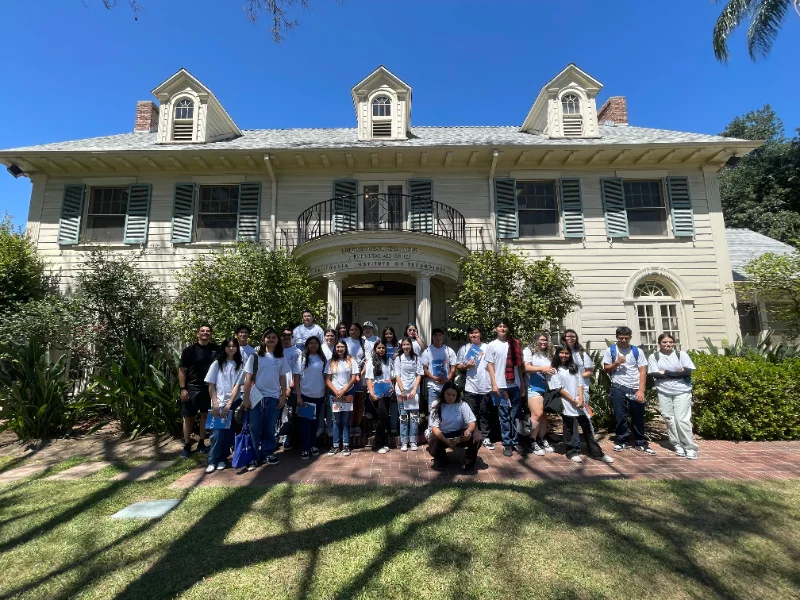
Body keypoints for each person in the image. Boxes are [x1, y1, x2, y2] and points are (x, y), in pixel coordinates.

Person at [550, 346, 614, 464]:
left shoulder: (574, 367)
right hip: (566, 402)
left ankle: (597, 453)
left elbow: (580, 383)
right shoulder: (554, 369)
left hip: (579, 402)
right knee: (569, 428)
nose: (564, 355)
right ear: (557, 354)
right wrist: (573, 401)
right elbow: (558, 388)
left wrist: (580, 398)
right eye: (561, 353)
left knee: (587, 427)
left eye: (566, 353)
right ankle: (572, 452)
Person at [241, 328, 289, 470]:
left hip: (273, 397)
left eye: (274, 337)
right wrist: (246, 398)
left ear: (277, 340)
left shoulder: (281, 357)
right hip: (256, 396)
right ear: (264, 340)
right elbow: (248, 379)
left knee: (270, 427)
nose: (271, 339)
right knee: (254, 427)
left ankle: (267, 453)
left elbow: (282, 377)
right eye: (269, 337)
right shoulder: (255, 356)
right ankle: (254, 456)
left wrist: (283, 396)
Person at [602, 326, 654, 454]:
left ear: (630, 338)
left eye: (626, 338)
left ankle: (640, 442)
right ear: (617, 338)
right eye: (621, 338)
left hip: (635, 387)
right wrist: (617, 363)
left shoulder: (637, 351)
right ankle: (621, 440)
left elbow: (643, 371)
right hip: (618, 386)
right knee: (620, 415)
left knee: (638, 415)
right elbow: (606, 369)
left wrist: (641, 390)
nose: (623, 341)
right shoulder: (611, 350)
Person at [648, 333, 698, 459]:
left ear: (673, 343)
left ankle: (689, 447)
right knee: (669, 419)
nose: (668, 344)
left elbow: (687, 372)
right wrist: (677, 373)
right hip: (663, 391)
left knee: (682, 419)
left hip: (682, 391)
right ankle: (677, 445)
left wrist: (666, 372)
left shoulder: (681, 355)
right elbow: (654, 374)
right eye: (664, 342)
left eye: (670, 342)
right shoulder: (654, 357)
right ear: (659, 344)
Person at [178, 323, 220, 458]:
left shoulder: (216, 350)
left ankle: (202, 443)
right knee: (188, 417)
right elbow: (182, 370)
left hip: (209, 389)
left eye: (208, 331)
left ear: (211, 334)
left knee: (205, 416)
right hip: (191, 389)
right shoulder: (189, 351)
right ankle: (187, 445)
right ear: (197, 333)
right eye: (202, 331)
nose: (205, 333)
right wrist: (183, 389)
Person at [485, 317, 525, 457]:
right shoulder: (492, 345)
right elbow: (490, 365)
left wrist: (522, 384)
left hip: (514, 385)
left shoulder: (514, 344)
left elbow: (519, 367)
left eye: (504, 326)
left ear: (507, 329)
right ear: (496, 329)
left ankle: (515, 441)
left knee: (515, 415)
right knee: (504, 416)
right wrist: (494, 383)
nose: (502, 328)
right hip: (501, 386)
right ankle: (507, 442)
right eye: (500, 326)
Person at [204, 337, 245, 473]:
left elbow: (237, 386)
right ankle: (212, 460)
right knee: (216, 434)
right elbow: (211, 385)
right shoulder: (217, 364)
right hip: (218, 404)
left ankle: (222, 459)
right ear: (224, 348)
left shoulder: (240, 364)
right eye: (229, 346)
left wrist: (229, 405)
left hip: (233, 403)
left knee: (228, 433)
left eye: (234, 346)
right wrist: (215, 404)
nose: (231, 348)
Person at [457, 325, 496, 451]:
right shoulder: (464, 349)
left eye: (476, 333)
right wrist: (467, 366)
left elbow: (491, 365)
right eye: (471, 333)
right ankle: (471, 437)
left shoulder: (487, 347)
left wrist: (494, 383)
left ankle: (485, 437)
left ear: (480, 334)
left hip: (485, 386)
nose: (473, 335)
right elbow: (458, 366)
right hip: (470, 387)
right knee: (471, 414)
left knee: (484, 413)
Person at [428, 382, 482, 470]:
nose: (450, 398)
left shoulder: (462, 404)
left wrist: (468, 431)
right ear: (443, 393)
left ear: (457, 395)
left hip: (460, 433)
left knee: (477, 436)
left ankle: (469, 461)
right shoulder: (436, 404)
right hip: (443, 434)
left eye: (453, 395)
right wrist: (446, 440)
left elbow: (472, 422)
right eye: (448, 394)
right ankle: (442, 458)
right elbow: (434, 428)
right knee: (433, 440)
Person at [523, 331, 556, 456]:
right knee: (537, 413)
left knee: (544, 415)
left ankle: (542, 439)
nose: (543, 342)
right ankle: (532, 441)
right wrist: (543, 369)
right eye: (541, 340)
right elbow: (526, 367)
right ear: (535, 340)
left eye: (545, 340)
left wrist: (550, 370)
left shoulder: (548, 353)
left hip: (547, 387)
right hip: (533, 386)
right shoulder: (528, 351)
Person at [294, 335, 326, 460]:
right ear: (307, 345)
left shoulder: (322, 358)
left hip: (319, 395)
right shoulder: (302, 357)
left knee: (315, 422)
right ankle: (305, 448)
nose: (313, 345)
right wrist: (298, 396)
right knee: (305, 423)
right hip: (305, 395)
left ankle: (313, 445)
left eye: (316, 343)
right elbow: (296, 378)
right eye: (311, 343)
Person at [421, 328, 457, 439]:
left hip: (446, 386)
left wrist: (447, 379)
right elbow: (425, 369)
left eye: (440, 335)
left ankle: (445, 431)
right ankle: (431, 433)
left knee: (446, 408)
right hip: (433, 386)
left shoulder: (449, 350)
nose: (437, 338)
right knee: (433, 409)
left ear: (443, 336)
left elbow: (453, 368)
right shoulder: (427, 351)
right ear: (432, 337)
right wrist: (433, 377)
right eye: (435, 335)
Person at [326, 340, 357, 456]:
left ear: (345, 348)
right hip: (334, 394)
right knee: (336, 420)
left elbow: (353, 378)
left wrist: (344, 390)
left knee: (346, 420)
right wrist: (336, 391)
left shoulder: (351, 361)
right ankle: (335, 445)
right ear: (335, 348)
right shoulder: (330, 362)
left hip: (348, 393)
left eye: (342, 347)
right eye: (338, 347)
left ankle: (346, 444)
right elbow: (328, 379)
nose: (340, 349)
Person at [393, 337, 423, 451]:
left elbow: (419, 374)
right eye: (404, 345)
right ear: (401, 347)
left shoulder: (416, 358)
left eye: (408, 345)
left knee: (414, 417)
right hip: (402, 392)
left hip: (414, 392)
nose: (406, 347)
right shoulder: (398, 359)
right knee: (404, 417)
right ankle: (404, 441)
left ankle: (413, 440)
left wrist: (415, 389)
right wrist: (403, 390)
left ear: (411, 346)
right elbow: (397, 376)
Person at [365, 339, 393, 453]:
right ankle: (376, 445)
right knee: (383, 417)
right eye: (378, 348)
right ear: (375, 349)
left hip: (386, 393)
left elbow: (390, 376)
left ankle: (382, 443)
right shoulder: (371, 361)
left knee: (382, 419)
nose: (381, 350)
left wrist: (391, 386)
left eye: (383, 348)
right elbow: (368, 379)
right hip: (376, 394)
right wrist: (372, 394)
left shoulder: (388, 360)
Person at [278, 326, 300, 451]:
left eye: (289, 335)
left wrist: (290, 386)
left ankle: (287, 439)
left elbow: (297, 371)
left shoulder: (297, 351)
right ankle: (275, 437)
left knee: (289, 414)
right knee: (277, 414)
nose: (286, 337)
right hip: (276, 388)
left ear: (292, 337)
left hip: (291, 388)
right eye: (284, 335)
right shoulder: (277, 351)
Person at [345, 323, 366, 436]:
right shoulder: (345, 341)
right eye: (352, 330)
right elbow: (344, 357)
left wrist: (360, 374)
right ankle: (348, 424)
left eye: (356, 330)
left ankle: (356, 425)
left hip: (360, 377)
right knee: (349, 400)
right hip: (348, 376)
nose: (354, 332)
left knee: (358, 401)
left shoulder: (363, 342)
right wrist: (354, 374)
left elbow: (367, 360)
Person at [563, 329, 593, 406]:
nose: (571, 338)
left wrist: (577, 377)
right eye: (568, 336)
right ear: (564, 338)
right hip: (566, 388)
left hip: (582, 387)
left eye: (573, 336)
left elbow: (589, 372)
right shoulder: (561, 353)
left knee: (581, 409)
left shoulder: (582, 353)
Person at [382, 326, 400, 434]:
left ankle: (393, 425)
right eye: (386, 334)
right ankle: (384, 426)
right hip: (384, 377)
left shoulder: (398, 346)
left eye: (390, 333)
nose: (389, 336)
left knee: (394, 402)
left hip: (395, 377)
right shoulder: (381, 346)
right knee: (384, 403)